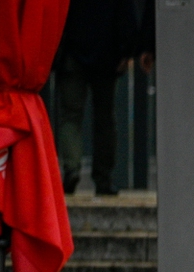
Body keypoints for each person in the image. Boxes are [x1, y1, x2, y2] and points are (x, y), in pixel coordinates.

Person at [53, 0, 140, 196]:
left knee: (70, 116)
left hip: (72, 53)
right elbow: (125, 12)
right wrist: (127, 50)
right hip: (106, 54)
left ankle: (71, 168)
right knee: (105, 119)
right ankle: (103, 178)